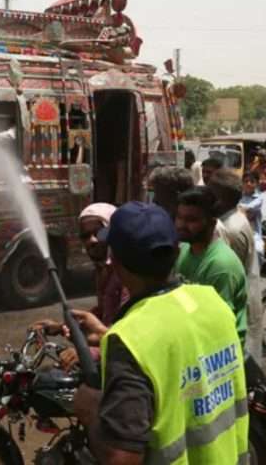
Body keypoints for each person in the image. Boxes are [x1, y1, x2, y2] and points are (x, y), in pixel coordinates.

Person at [71, 202, 248, 464]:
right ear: (177, 252)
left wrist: (90, 412)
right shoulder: (214, 304)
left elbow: (121, 459)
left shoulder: (129, 340)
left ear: (116, 262)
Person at [32, 203, 128, 369]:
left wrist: (89, 353)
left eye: (99, 232)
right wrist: (61, 327)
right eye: (85, 236)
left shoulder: (126, 273)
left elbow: (127, 332)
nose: (92, 240)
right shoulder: (102, 270)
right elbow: (104, 313)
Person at [174, 187, 249, 342]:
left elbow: (218, 326)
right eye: (179, 217)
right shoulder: (185, 250)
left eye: (191, 220)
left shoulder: (221, 265)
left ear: (212, 223)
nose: (181, 224)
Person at [208, 170, 262, 362]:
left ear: (220, 200)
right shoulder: (230, 219)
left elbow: (230, 275)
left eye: (210, 193)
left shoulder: (230, 228)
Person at [238, 171, 264, 262]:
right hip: (238, 230)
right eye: (246, 181)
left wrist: (240, 210)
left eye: (252, 181)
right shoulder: (238, 196)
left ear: (256, 184)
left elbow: (249, 208)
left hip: (253, 233)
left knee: (258, 251)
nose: (248, 184)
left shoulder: (259, 198)